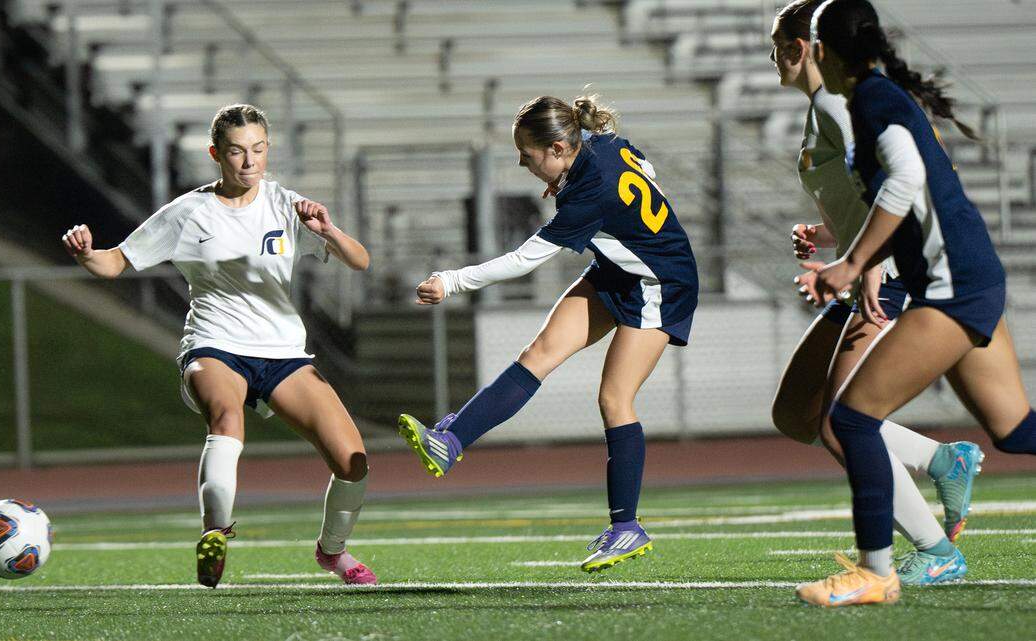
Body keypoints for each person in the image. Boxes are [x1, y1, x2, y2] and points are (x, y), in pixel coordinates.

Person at [60, 104, 378, 587]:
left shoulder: (285, 205)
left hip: (283, 354)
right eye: (237, 151)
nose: (249, 162)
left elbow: (359, 261)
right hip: (213, 345)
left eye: (258, 150)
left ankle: (332, 552)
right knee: (227, 418)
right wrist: (86, 253)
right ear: (216, 154)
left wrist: (328, 230)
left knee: (353, 461)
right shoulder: (189, 212)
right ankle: (215, 532)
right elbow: (115, 262)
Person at [795, 0, 1036, 606]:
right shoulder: (875, 95)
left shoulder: (869, 103)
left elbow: (903, 181)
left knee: (850, 421)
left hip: (952, 282)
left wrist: (854, 263)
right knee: (1014, 430)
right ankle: (894, 561)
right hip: (968, 272)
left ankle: (877, 573)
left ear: (820, 50)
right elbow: (904, 189)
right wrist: (844, 245)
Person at [398, 93, 699, 573]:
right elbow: (643, 165)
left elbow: (522, 261)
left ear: (559, 147)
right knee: (538, 352)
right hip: (620, 270)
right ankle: (450, 442)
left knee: (614, 399)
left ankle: (627, 528)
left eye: (527, 154)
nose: (521, 161)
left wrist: (450, 281)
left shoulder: (588, 194)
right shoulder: (599, 143)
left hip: (660, 282)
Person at [767, 0, 978, 587]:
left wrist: (868, 264)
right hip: (865, 269)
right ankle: (942, 460)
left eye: (779, 46)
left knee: (840, 422)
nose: (773, 59)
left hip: (891, 275)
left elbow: (908, 187)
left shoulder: (837, 103)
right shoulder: (824, 107)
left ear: (804, 48)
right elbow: (867, 193)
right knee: (796, 413)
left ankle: (936, 551)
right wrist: (831, 233)